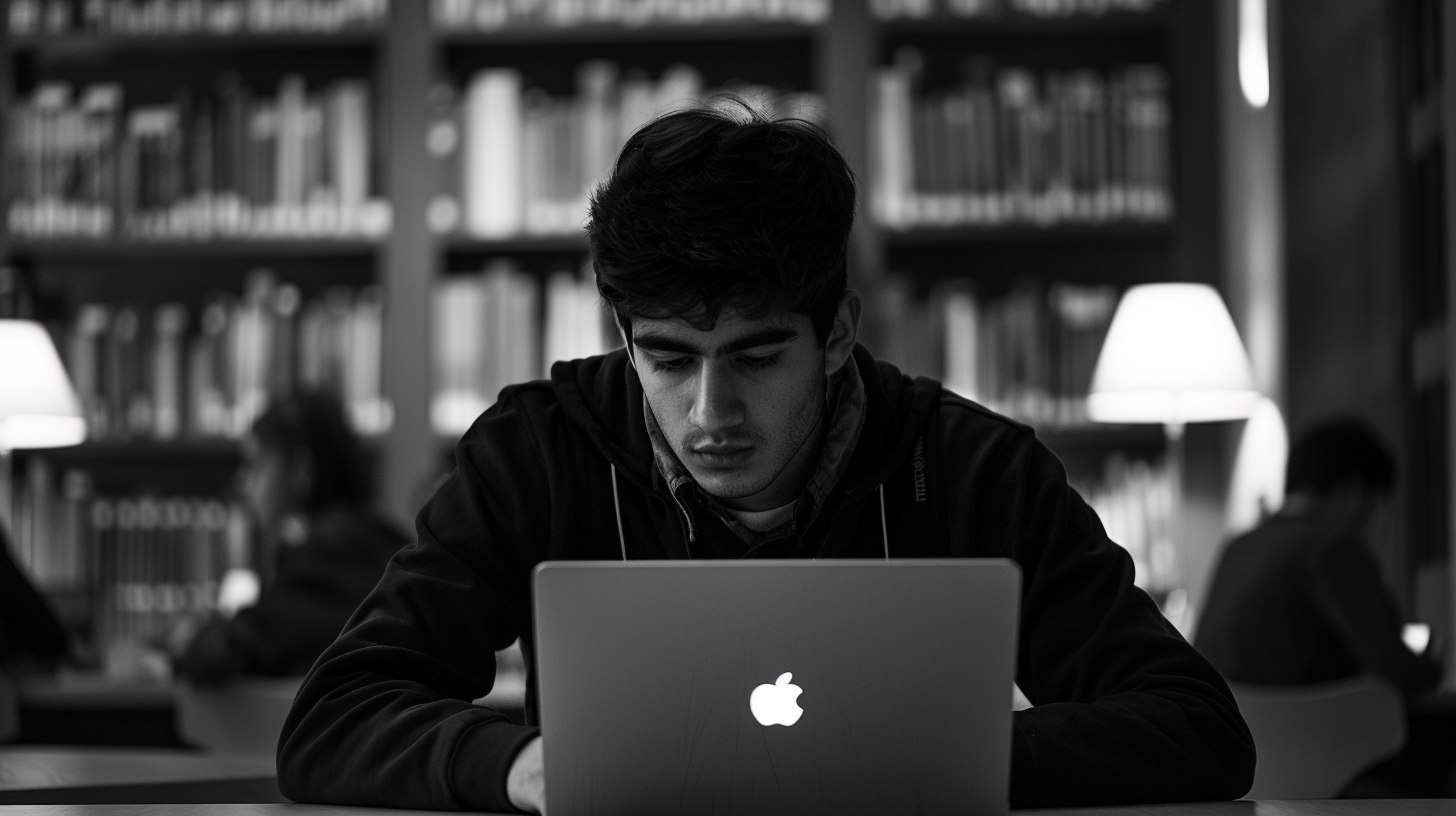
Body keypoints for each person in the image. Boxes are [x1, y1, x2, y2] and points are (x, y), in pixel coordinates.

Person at [277, 105, 1255, 812]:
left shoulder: (973, 468)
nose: (710, 414)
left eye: (754, 357)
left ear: (835, 335)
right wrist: (520, 766)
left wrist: (945, 762)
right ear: (626, 339)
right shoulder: (540, 448)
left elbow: (1197, 730)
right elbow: (333, 720)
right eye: (667, 359)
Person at [1197, 418, 1449, 797]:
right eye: (1374, 504)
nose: (1370, 522)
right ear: (1353, 489)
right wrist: (1433, 666)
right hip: (1327, 762)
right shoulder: (1332, 547)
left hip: (1236, 759)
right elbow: (1392, 666)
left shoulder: (1239, 546)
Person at [175, 391, 407, 683]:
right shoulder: (375, 540)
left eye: (255, 463)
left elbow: (229, 649)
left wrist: (185, 644)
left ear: (300, 468)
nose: (243, 483)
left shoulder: (330, 555)